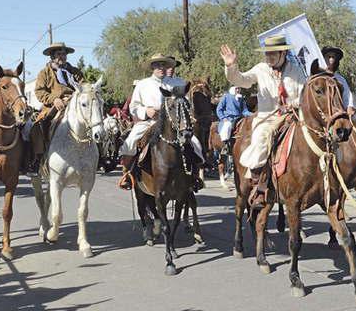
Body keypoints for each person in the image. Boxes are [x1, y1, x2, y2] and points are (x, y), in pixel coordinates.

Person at [220, 35, 305, 202]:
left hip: (293, 115)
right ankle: (259, 185)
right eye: (267, 53)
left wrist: (292, 104)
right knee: (260, 138)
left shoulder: (296, 71)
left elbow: (304, 94)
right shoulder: (260, 69)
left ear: (283, 53)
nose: (269, 57)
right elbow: (242, 80)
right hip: (268, 118)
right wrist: (231, 66)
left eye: (273, 53)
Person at [118, 53, 205, 190]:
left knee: (195, 143)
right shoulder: (142, 84)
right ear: (152, 67)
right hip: (150, 122)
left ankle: (194, 176)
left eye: (164, 65)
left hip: (174, 124)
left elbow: (186, 104)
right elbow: (133, 107)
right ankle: (127, 174)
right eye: (158, 65)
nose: (161, 68)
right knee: (131, 142)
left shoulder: (179, 83)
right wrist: (146, 111)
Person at [29, 42, 83, 172]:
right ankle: (38, 158)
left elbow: (83, 87)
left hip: (75, 103)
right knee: (39, 126)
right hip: (54, 105)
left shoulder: (75, 72)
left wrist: (75, 97)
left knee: (92, 121)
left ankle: (98, 154)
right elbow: (39, 91)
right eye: (59, 54)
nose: (62, 57)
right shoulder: (45, 73)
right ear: (52, 56)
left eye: (64, 54)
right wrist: (54, 99)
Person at [216, 86, 252, 154]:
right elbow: (219, 109)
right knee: (227, 126)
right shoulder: (226, 97)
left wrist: (253, 114)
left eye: (239, 88)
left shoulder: (241, 98)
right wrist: (223, 118)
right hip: (229, 118)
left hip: (239, 118)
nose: (238, 90)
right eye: (236, 89)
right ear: (232, 89)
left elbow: (245, 111)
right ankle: (225, 145)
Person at [321, 46, 355, 115]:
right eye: (328, 56)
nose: (330, 59)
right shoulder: (315, 77)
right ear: (323, 58)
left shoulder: (340, 79)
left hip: (338, 113)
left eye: (333, 57)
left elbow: (347, 97)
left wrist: (349, 108)